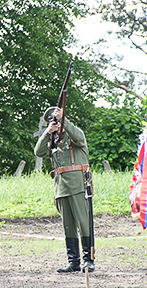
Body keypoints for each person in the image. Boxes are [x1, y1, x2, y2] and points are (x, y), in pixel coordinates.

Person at [34, 106, 95, 273]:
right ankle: (73, 261)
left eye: (57, 121)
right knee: (68, 225)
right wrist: (48, 131)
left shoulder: (74, 135)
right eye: (53, 122)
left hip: (77, 185)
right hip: (61, 187)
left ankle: (88, 260)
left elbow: (78, 137)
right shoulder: (54, 141)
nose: (57, 125)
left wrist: (64, 120)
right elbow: (38, 151)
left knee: (84, 223)